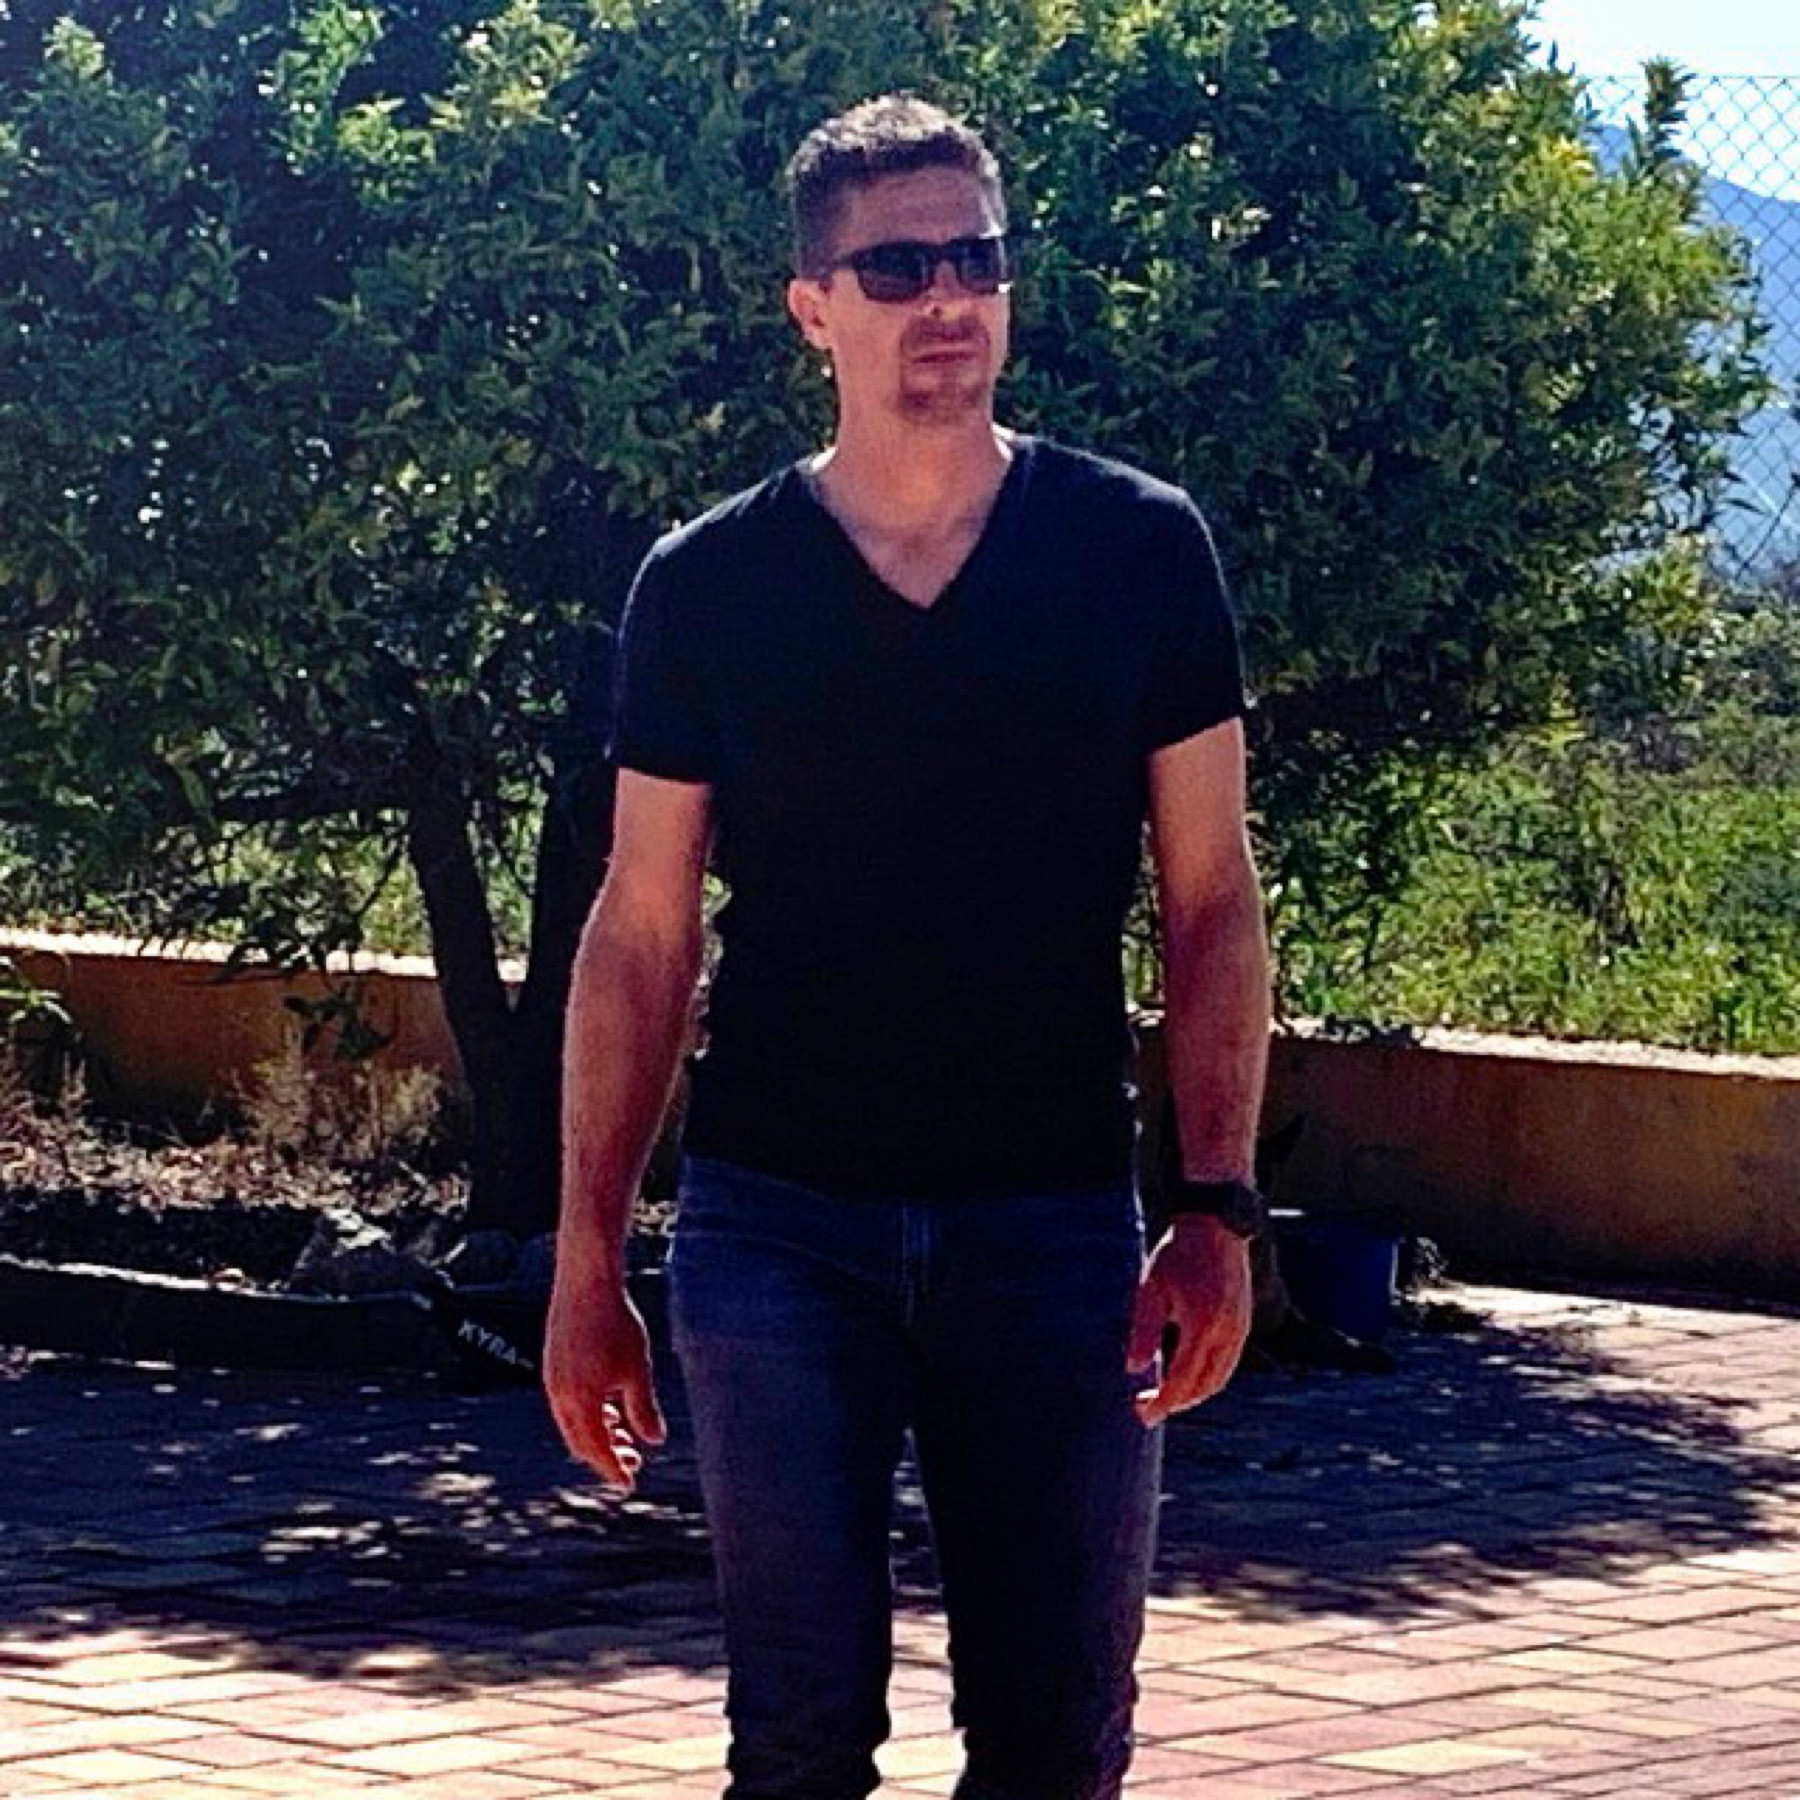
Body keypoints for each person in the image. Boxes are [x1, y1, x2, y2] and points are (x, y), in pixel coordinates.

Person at [544, 92, 1272, 1800]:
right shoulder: (709, 586)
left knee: (1056, 1747)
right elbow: (642, 934)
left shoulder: (1137, 552)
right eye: (896, 267)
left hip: (1054, 1218)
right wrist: (585, 1262)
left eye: (976, 258)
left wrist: (1218, 1205)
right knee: (797, 1747)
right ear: (813, 307)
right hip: (779, 1223)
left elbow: (1213, 901)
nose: (946, 297)